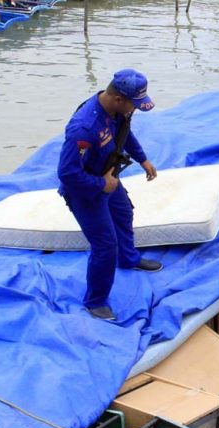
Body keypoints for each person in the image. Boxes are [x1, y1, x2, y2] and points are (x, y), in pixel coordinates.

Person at [57, 69, 162, 321]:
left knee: (124, 212)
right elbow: (67, 174)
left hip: (108, 175)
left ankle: (128, 258)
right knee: (105, 246)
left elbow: (124, 135)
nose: (134, 110)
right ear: (118, 99)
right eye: (133, 105)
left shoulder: (118, 112)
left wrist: (143, 159)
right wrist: (100, 185)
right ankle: (95, 301)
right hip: (85, 190)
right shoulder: (84, 128)